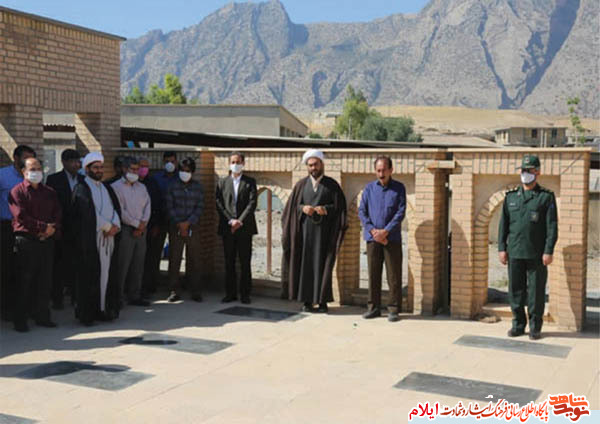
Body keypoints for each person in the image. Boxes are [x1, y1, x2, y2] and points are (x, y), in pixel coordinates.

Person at [498, 154, 558, 340]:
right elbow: (503, 226)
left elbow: (552, 227)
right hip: (515, 252)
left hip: (536, 254)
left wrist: (548, 251)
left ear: (537, 172)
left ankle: (535, 327)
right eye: (523, 170)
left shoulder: (545, 197)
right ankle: (518, 325)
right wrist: (502, 248)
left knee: (536, 292)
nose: (525, 174)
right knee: (516, 290)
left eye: (529, 170)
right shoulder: (511, 197)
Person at [281, 149, 347, 313]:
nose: (313, 168)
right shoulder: (301, 185)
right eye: (310, 165)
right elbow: (292, 208)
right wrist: (303, 208)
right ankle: (307, 301)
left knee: (323, 266)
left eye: (316, 164)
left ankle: (323, 302)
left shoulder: (332, 185)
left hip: (324, 235)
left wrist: (326, 209)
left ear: (321, 164)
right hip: (305, 235)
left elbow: (340, 208)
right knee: (306, 266)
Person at [8, 157, 61, 332]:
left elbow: (57, 212)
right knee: (24, 281)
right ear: (23, 171)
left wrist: (52, 228)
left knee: (44, 281)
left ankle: (42, 316)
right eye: (32, 169)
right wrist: (43, 227)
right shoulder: (17, 191)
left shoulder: (49, 192)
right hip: (26, 241)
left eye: (39, 168)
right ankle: (20, 320)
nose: (36, 172)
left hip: (47, 240)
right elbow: (21, 216)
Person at [72, 152, 122, 325]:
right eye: (95, 168)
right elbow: (88, 213)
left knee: (107, 276)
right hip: (92, 241)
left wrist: (115, 226)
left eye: (101, 167)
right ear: (87, 169)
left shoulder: (106, 188)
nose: (99, 170)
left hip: (109, 239)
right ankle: (88, 314)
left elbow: (115, 208)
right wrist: (107, 227)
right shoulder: (81, 188)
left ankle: (104, 309)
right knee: (91, 276)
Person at [358, 156, 406, 322]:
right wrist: (373, 231)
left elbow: (400, 212)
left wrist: (385, 232)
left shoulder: (399, 188)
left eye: (384, 170)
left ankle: (393, 309)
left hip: (391, 239)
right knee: (373, 274)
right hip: (372, 239)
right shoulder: (369, 189)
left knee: (393, 276)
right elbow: (362, 211)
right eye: (378, 170)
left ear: (391, 170)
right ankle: (373, 308)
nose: (381, 174)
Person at [216, 151, 258, 304]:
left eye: (238, 162)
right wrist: (230, 221)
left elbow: (252, 203)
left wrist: (239, 221)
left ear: (243, 164)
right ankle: (230, 293)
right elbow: (219, 203)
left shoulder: (250, 182)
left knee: (245, 262)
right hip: (228, 228)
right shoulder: (222, 182)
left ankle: (245, 294)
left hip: (245, 228)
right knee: (229, 262)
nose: (235, 165)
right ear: (229, 164)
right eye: (233, 162)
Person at [0, 145, 36, 322]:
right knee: (6, 269)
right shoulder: (2, 176)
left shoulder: (32, 176)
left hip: (27, 228)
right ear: (15, 158)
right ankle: (6, 308)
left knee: (25, 269)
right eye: (24, 158)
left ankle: (25, 307)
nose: (27, 161)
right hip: (6, 227)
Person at [112, 157, 151, 307]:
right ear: (124, 169)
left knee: (138, 264)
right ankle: (117, 297)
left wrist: (143, 224)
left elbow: (147, 206)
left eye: (137, 169)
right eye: (132, 169)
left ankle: (135, 295)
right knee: (122, 265)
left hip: (141, 230)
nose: (135, 172)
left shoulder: (142, 187)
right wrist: (136, 224)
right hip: (126, 230)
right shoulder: (116, 187)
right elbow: (120, 210)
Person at [46, 148, 81, 309]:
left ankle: (76, 296)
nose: (76, 164)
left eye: (78, 161)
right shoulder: (54, 179)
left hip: (79, 229)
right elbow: (51, 204)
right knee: (59, 265)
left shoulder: (82, 179)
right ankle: (57, 299)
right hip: (62, 228)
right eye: (72, 161)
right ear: (64, 162)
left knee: (76, 264)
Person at [165, 157, 204, 302]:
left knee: (194, 259)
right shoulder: (172, 186)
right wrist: (179, 224)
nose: (184, 173)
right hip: (175, 227)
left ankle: (195, 290)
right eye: (182, 170)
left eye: (187, 171)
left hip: (192, 227)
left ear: (192, 172)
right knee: (174, 259)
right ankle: (174, 290)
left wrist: (188, 223)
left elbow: (200, 207)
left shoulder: (198, 187)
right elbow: (169, 206)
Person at [146, 151, 179, 292]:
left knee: (175, 254)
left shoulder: (180, 177)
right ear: (163, 162)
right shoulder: (156, 178)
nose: (169, 164)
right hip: (159, 220)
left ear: (176, 162)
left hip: (176, 220)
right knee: (155, 253)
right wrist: (154, 222)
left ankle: (173, 286)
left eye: (172, 161)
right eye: (167, 162)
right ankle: (152, 284)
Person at [138, 157, 162, 296]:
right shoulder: (132, 182)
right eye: (141, 166)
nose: (144, 169)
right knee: (137, 260)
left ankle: (149, 286)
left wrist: (156, 224)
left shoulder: (152, 183)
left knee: (150, 258)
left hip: (151, 225)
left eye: (146, 167)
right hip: (135, 226)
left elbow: (158, 204)